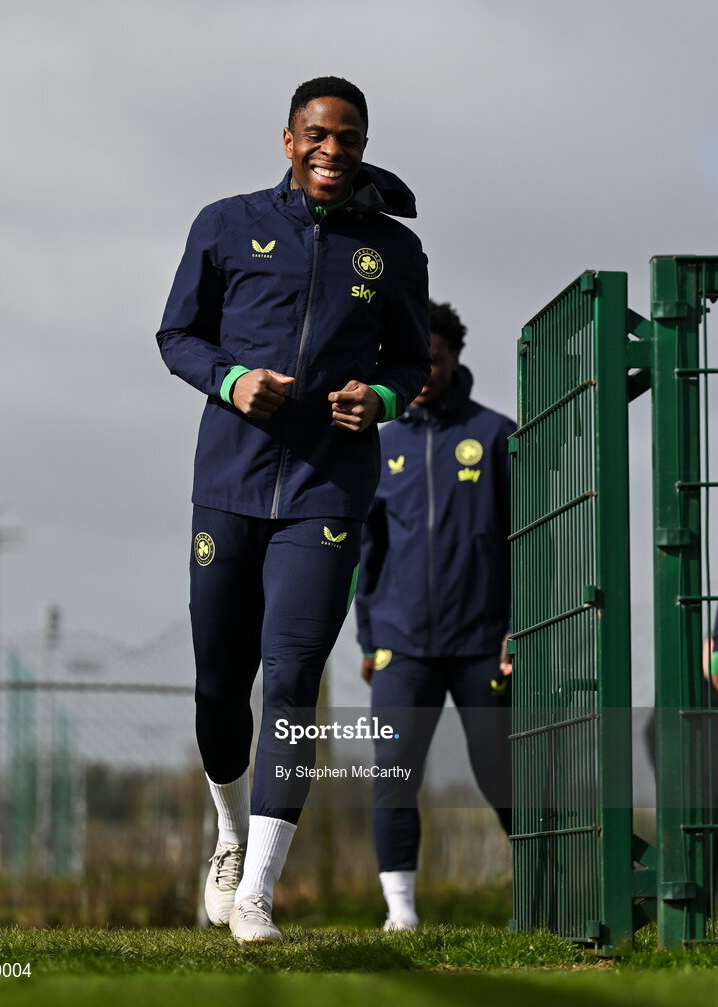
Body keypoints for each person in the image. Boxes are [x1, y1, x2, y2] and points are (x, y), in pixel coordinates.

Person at [156, 76, 430, 943]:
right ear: (287, 139)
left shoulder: (390, 249)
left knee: (293, 677)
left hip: (328, 490)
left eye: (348, 137)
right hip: (229, 486)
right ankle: (231, 836)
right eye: (317, 134)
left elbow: (412, 361)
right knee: (217, 686)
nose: (332, 149)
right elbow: (178, 335)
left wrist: (380, 399)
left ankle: (259, 893)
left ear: (362, 145)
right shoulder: (225, 224)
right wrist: (234, 382)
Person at [355, 300, 514, 930]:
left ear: (454, 356)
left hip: (482, 643)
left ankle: (545, 896)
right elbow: (368, 551)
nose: (424, 370)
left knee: (501, 775)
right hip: (401, 645)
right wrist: (369, 638)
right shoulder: (379, 444)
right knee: (393, 775)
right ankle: (401, 912)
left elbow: (524, 543)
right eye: (413, 359)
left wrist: (514, 631)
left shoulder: (497, 435)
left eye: (435, 357)